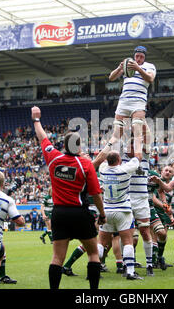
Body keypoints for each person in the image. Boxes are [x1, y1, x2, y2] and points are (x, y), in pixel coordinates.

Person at [31, 106, 106, 289]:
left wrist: (36, 120)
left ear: (64, 145)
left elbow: (42, 137)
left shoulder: (53, 158)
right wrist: (102, 214)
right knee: (93, 254)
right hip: (79, 213)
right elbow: (96, 194)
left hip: (59, 213)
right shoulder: (86, 165)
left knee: (57, 257)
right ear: (79, 146)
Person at [98, 150, 143, 280]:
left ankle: (94, 269)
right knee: (128, 241)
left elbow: (101, 159)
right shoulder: (125, 170)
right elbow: (138, 157)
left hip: (106, 210)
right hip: (123, 210)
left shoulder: (102, 169)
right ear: (119, 160)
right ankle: (130, 272)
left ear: (107, 161)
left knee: (101, 242)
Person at [107, 46, 156, 163]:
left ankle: (138, 160)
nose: (138, 58)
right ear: (134, 56)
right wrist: (119, 68)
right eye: (137, 56)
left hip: (138, 101)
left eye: (141, 57)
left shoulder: (149, 66)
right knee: (116, 133)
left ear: (145, 57)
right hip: (124, 101)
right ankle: (107, 159)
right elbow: (111, 77)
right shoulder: (128, 65)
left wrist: (138, 68)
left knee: (137, 129)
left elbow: (150, 79)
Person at [121, 138, 155, 276]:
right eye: (130, 145)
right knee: (126, 235)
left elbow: (147, 139)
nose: (132, 148)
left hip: (142, 200)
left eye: (135, 146)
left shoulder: (145, 157)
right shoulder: (121, 159)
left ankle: (149, 264)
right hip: (126, 200)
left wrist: (139, 124)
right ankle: (126, 265)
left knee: (145, 232)